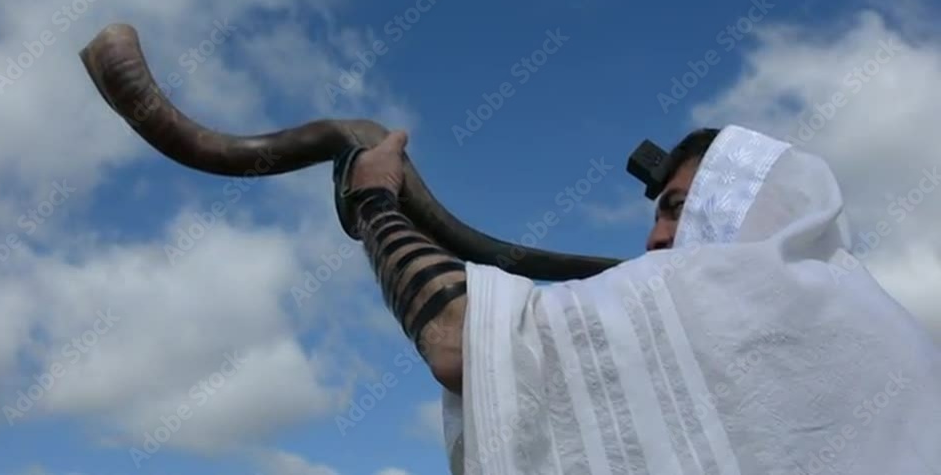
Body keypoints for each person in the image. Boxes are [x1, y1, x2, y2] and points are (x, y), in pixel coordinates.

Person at [334, 125, 941, 475]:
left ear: (744, 203)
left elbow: (459, 339)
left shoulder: (745, 295)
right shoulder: (886, 332)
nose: (653, 238)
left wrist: (373, 202)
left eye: (677, 207)